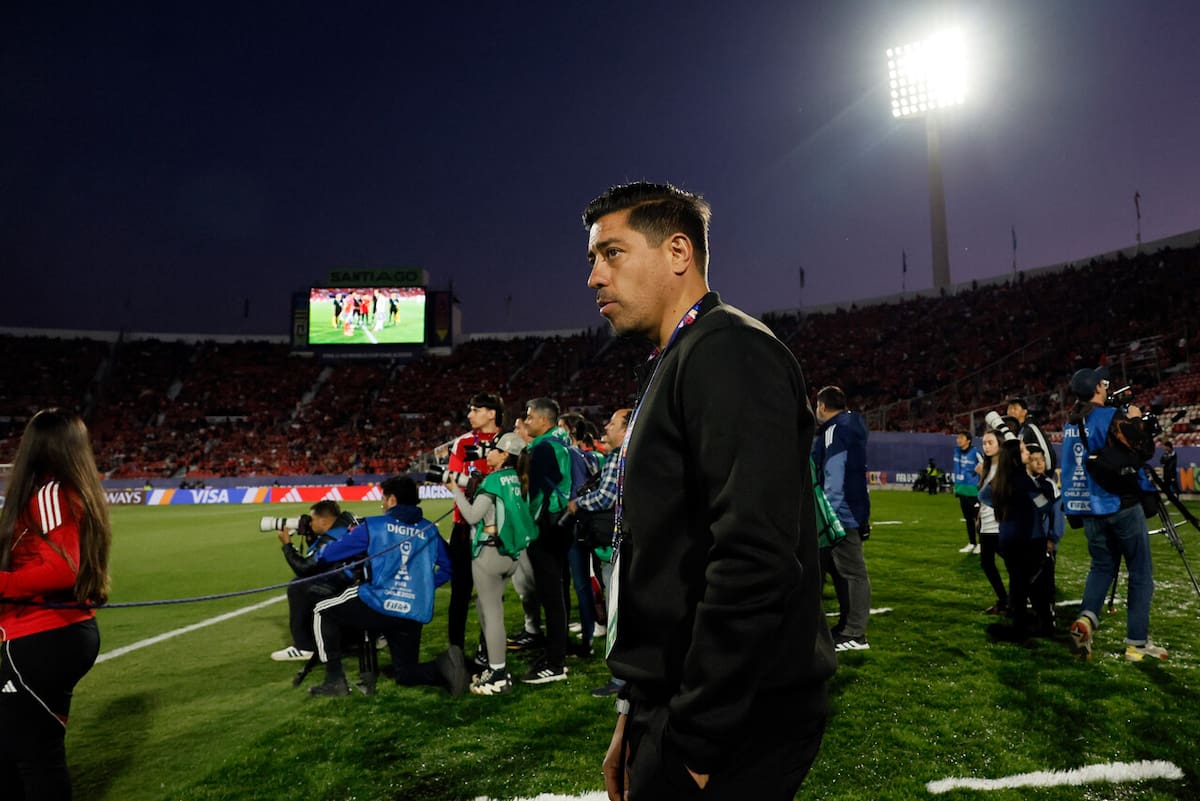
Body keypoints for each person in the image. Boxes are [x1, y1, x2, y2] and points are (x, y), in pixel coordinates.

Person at [585, 181, 833, 801]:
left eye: (611, 253)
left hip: (733, 717)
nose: (594, 276)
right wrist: (635, 710)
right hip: (675, 701)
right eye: (593, 258)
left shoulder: (727, 350)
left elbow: (753, 557)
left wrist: (695, 742)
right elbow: (668, 556)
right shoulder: (683, 355)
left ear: (677, 252)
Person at [0, 409, 111, 801]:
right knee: (19, 749)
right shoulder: (73, 491)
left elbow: (62, 569)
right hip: (56, 632)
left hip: (43, 634)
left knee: (32, 757)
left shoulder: (50, 492)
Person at [307, 476, 463, 696]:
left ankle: (335, 680)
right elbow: (449, 568)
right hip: (413, 611)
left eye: (383, 498)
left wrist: (320, 551)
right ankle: (445, 667)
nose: (382, 503)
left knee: (322, 611)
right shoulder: (430, 529)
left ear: (392, 500)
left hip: (377, 604)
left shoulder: (374, 526)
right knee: (406, 673)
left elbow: (330, 554)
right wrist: (424, 587)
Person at [1061, 367, 1165, 662]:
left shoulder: (1071, 421)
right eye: (1103, 384)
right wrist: (1135, 420)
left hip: (1088, 508)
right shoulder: (1108, 416)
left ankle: (1086, 619)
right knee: (1140, 572)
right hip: (1119, 503)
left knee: (1101, 567)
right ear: (1096, 388)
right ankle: (1137, 643)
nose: (1107, 387)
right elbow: (1143, 449)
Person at [444, 432, 537, 696]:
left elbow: (473, 516)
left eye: (495, 449)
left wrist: (455, 492)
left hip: (490, 553)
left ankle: (498, 673)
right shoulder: (520, 478)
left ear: (505, 454)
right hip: (511, 554)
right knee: (487, 608)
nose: (489, 452)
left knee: (492, 612)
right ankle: (493, 666)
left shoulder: (494, 480)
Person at [567, 407, 631, 697]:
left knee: (618, 609)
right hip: (627, 544)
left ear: (626, 429)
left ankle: (621, 678)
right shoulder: (630, 454)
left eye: (612, 423)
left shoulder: (620, 456)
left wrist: (578, 504)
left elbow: (606, 497)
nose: (606, 427)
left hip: (616, 545)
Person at [979, 414, 1059, 641]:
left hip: (1007, 539)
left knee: (1017, 583)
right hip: (1029, 540)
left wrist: (1006, 504)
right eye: (1023, 451)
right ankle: (1037, 626)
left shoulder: (1002, 479)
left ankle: (1019, 623)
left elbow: (983, 496)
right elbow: (1043, 507)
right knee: (1037, 585)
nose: (1027, 453)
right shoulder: (1024, 481)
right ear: (1016, 458)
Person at [517, 397, 574, 683]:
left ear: (543, 419)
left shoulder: (541, 449)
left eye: (528, 417)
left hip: (545, 526)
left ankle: (555, 664)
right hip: (562, 523)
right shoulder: (563, 441)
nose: (526, 423)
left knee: (550, 594)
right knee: (559, 590)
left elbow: (530, 491)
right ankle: (558, 651)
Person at [813, 385, 873, 652]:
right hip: (853, 509)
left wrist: (830, 514)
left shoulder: (835, 430)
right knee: (841, 572)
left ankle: (855, 634)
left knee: (852, 573)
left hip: (841, 512)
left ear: (823, 406)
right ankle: (848, 625)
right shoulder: (851, 426)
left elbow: (834, 474)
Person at [445, 392, 503, 671]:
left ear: (492, 413)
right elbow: (451, 478)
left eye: (476, 409)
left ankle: (485, 649)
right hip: (463, 526)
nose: (470, 415)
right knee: (460, 592)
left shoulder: (508, 442)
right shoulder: (463, 442)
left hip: (493, 529)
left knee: (490, 594)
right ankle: (454, 649)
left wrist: (471, 486)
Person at [272, 499, 361, 661]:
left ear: (323, 521)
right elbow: (323, 561)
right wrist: (311, 539)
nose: (309, 523)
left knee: (298, 586)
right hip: (361, 580)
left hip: (352, 586)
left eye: (312, 520)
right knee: (310, 583)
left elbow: (305, 568)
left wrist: (287, 545)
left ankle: (304, 646)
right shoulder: (346, 524)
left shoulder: (333, 537)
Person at [975, 431, 1009, 615]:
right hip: (987, 525)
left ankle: (1016, 599)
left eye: (990, 442)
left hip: (1000, 525)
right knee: (987, 564)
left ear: (1000, 444)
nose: (986, 446)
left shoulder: (1005, 469)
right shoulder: (986, 468)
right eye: (984, 443)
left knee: (1014, 564)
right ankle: (1004, 600)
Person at [953, 430, 983, 554]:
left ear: (968, 440)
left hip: (973, 491)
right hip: (961, 490)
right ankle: (972, 543)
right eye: (957, 437)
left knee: (978, 519)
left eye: (961, 437)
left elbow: (985, 464)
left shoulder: (975, 452)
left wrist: (978, 475)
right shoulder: (956, 451)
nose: (958, 440)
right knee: (968, 519)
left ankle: (981, 543)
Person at [1007, 396, 1056, 474]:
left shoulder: (1031, 427)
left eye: (1015, 408)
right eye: (1009, 408)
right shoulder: (1018, 430)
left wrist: (1047, 474)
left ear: (1024, 412)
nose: (1011, 411)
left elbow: (1046, 451)